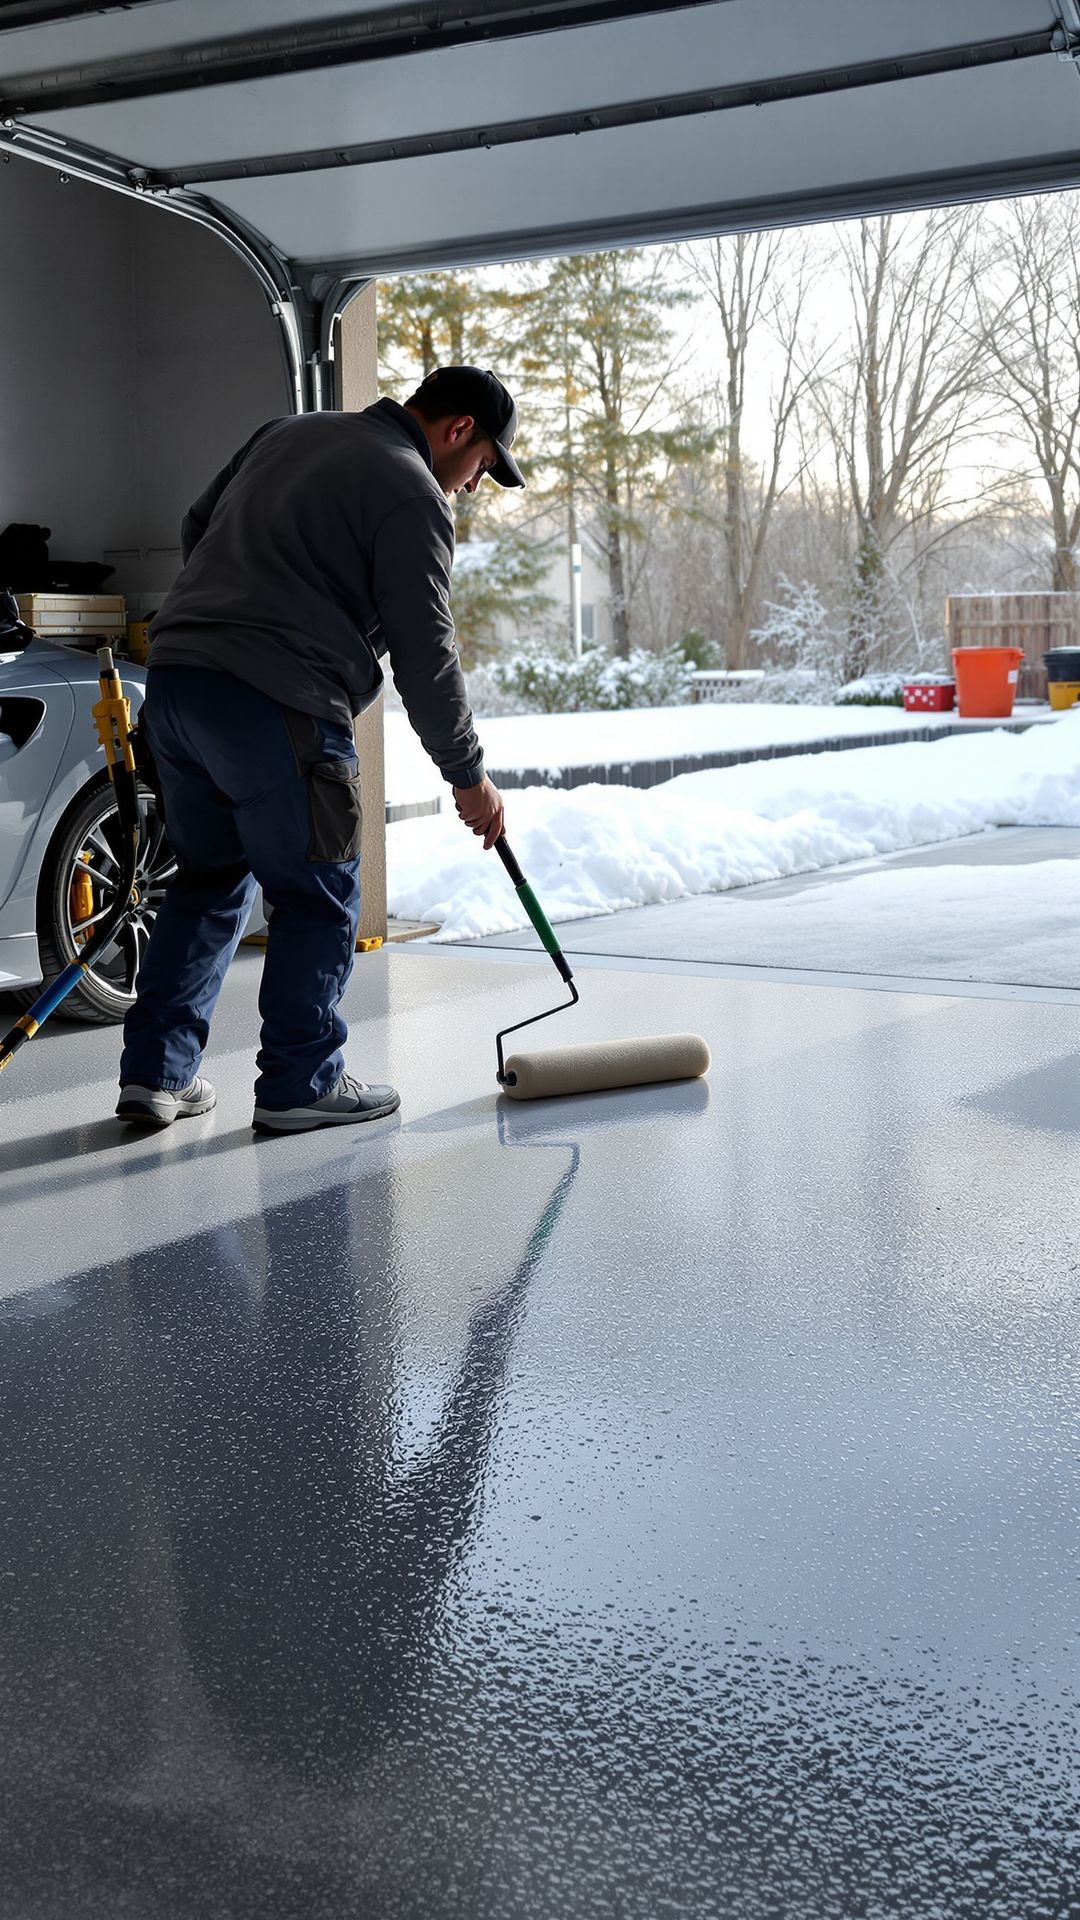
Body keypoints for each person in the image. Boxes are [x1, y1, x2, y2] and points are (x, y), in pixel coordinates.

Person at [116, 365, 523, 1134]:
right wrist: (469, 777)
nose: (475, 486)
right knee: (318, 892)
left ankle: (155, 1076)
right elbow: (426, 654)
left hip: (175, 686)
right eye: (484, 467)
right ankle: (301, 1083)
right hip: (280, 701)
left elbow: (197, 528)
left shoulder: (290, 432)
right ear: (459, 429)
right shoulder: (411, 491)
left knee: (207, 878)